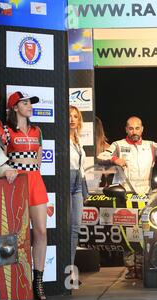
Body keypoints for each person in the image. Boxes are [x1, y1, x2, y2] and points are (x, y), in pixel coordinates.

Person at [97, 116, 157, 279]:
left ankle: (141, 265)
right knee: (127, 232)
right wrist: (115, 159)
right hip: (124, 193)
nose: (134, 132)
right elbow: (100, 157)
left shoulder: (150, 146)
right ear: (126, 129)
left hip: (145, 194)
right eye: (131, 128)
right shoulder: (118, 145)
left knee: (143, 231)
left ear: (142, 129)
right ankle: (130, 267)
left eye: (137, 128)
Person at [0, 92, 49, 299]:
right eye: (25, 103)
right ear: (15, 107)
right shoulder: (5, 130)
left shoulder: (37, 130)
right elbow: (1, 158)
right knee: (15, 235)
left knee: (41, 232)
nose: (30, 106)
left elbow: (38, 160)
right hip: (16, 184)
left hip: (35, 181)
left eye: (31, 103)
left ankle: (38, 281)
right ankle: (16, 282)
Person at [69, 106, 86, 284]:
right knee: (65, 228)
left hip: (78, 184)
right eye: (69, 116)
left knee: (75, 228)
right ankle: (62, 271)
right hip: (66, 180)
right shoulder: (60, 138)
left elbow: (81, 167)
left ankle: (70, 270)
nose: (72, 119)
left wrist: (85, 189)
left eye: (75, 116)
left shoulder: (78, 139)